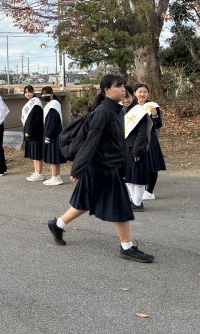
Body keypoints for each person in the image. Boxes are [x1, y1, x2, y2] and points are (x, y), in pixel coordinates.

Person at [46, 74, 155, 263]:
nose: (123, 89)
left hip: (107, 166)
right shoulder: (103, 112)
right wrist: (77, 168)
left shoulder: (115, 109)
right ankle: (126, 247)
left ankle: (58, 224)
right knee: (121, 206)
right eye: (118, 86)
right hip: (101, 167)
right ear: (106, 90)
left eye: (123, 86)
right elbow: (91, 142)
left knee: (83, 202)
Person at [122, 86, 151, 212]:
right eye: (123, 98)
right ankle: (134, 200)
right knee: (128, 175)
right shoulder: (122, 109)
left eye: (127, 97)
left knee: (138, 176)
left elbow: (142, 133)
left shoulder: (139, 111)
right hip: (124, 147)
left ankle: (137, 203)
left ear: (132, 95)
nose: (125, 100)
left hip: (135, 148)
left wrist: (137, 151)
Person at [134, 83, 166, 200]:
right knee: (137, 165)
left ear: (148, 94)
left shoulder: (152, 106)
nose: (142, 94)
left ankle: (149, 192)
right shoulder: (132, 106)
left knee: (152, 165)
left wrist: (155, 115)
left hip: (150, 139)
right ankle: (138, 191)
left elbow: (158, 125)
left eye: (145, 92)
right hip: (135, 139)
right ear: (135, 93)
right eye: (140, 92)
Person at [40, 86, 65, 186]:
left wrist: (48, 136)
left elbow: (51, 121)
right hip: (56, 134)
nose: (44, 96)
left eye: (46, 94)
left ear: (51, 94)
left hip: (53, 135)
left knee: (53, 157)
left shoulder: (53, 105)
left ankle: (55, 177)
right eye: (43, 94)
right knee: (55, 157)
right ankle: (56, 176)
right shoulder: (54, 103)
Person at [21, 85, 44, 182]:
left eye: (29, 92)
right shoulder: (31, 102)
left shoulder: (36, 102)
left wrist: (29, 131)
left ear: (33, 92)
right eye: (26, 92)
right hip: (31, 132)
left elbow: (35, 119)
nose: (28, 94)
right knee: (34, 155)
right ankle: (36, 172)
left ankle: (39, 174)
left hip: (35, 133)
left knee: (37, 155)